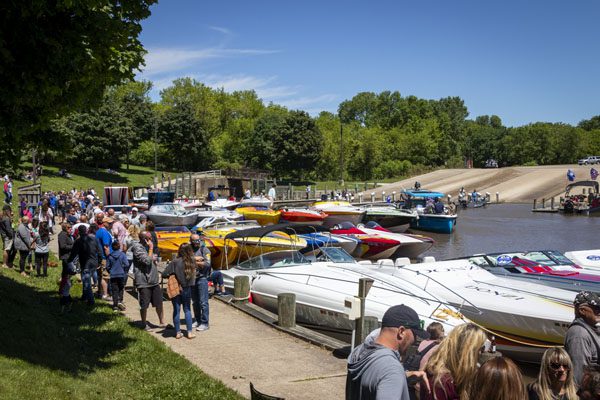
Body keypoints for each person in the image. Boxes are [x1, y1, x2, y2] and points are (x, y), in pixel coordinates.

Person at [346, 304, 429, 400]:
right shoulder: (391, 369)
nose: (414, 340)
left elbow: (373, 376)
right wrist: (395, 375)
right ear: (401, 331)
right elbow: (387, 372)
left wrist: (404, 375)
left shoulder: (359, 352)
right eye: (414, 334)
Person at [420, 323, 487, 400]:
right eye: (481, 348)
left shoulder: (455, 375)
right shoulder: (441, 383)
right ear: (468, 350)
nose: (482, 352)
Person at [565, 291, 600, 385]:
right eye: (596, 308)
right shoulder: (579, 334)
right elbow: (578, 373)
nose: (599, 311)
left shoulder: (591, 328)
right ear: (582, 310)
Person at [131, 231, 165, 330]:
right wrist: (151, 248)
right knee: (144, 304)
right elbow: (146, 261)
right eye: (150, 238)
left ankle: (162, 322)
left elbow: (151, 259)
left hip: (153, 280)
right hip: (144, 281)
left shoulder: (146, 247)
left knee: (159, 302)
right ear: (144, 239)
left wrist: (153, 255)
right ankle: (143, 323)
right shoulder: (138, 248)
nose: (151, 240)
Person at [162, 243, 196, 339]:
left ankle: (177, 332)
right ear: (190, 251)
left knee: (176, 310)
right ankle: (189, 332)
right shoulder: (192, 261)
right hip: (187, 288)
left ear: (179, 251)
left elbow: (164, 274)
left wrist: (172, 274)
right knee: (187, 309)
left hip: (176, 288)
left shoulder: (175, 262)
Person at [68, 225, 102, 305]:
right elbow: (100, 251)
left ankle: (91, 301)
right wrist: (99, 262)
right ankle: (84, 297)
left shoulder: (78, 241)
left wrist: (69, 261)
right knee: (86, 280)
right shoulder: (94, 239)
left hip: (86, 263)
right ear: (86, 231)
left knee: (87, 282)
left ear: (79, 232)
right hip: (94, 263)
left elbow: (73, 253)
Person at [190, 233, 211, 331]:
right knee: (195, 302)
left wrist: (194, 261)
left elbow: (207, 264)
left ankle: (205, 323)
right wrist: (197, 260)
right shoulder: (189, 249)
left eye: (198, 240)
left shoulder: (205, 250)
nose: (197, 243)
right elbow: (184, 259)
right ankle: (197, 320)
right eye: (194, 241)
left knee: (203, 302)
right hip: (192, 278)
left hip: (202, 278)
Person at [106, 241, 128, 312]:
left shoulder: (109, 256)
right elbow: (127, 264)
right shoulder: (122, 255)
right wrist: (123, 268)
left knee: (114, 290)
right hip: (121, 274)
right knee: (121, 288)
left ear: (112, 247)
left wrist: (111, 271)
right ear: (119, 247)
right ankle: (120, 301)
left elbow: (107, 266)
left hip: (113, 275)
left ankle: (115, 305)